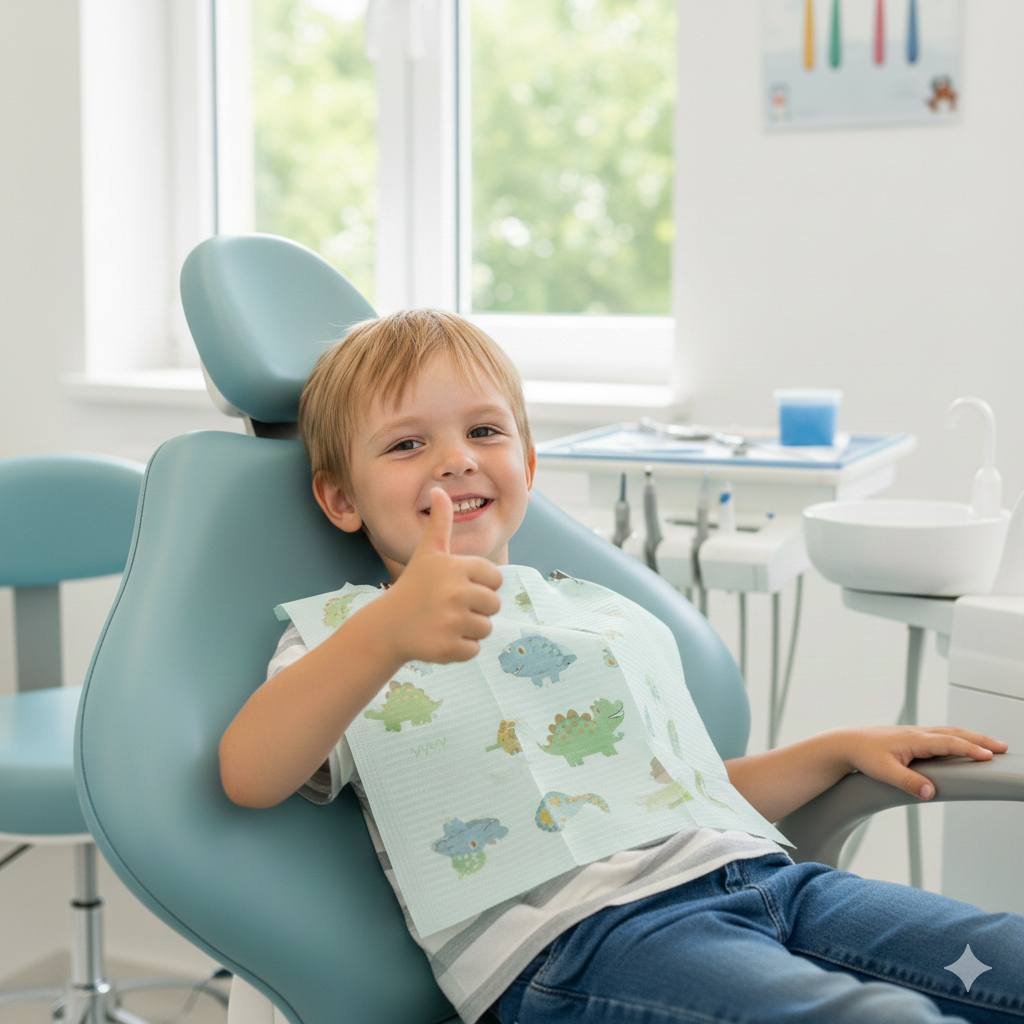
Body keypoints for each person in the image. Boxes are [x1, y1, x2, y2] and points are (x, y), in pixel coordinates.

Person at [219, 309, 1023, 1024]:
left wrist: (833, 751)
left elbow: (669, 796)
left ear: (528, 466)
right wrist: (388, 629)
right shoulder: (344, 635)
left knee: (1003, 953)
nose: (457, 460)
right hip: (588, 942)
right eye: (406, 444)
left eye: (486, 432)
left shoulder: (591, 612)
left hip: (769, 886)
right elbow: (250, 772)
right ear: (340, 500)